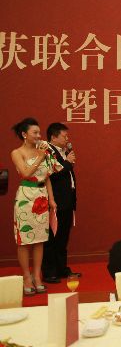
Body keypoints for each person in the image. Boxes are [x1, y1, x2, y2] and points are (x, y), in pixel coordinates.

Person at [10, 118, 62, 295]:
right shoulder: (17, 153)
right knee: (24, 240)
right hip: (26, 197)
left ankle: (37, 276)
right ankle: (26, 277)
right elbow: (25, 173)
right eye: (35, 133)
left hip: (42, 197)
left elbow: (47, 177)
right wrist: (40, 156)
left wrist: (52, 199)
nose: (39, 136)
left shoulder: (43, 151)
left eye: (39, 133)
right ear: (24, 134)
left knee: (40, 239)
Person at [42, 123, 79, 283]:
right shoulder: (47, 151)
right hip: (56, 201)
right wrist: (68, 162)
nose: (67, 139)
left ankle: (62, 268)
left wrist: (67, 161)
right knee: (52, 238)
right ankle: (50, 272)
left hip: (67, 201)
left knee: (63, 237)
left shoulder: (63, 152)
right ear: (53, 137)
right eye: (64, 136)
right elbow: (52, 174)